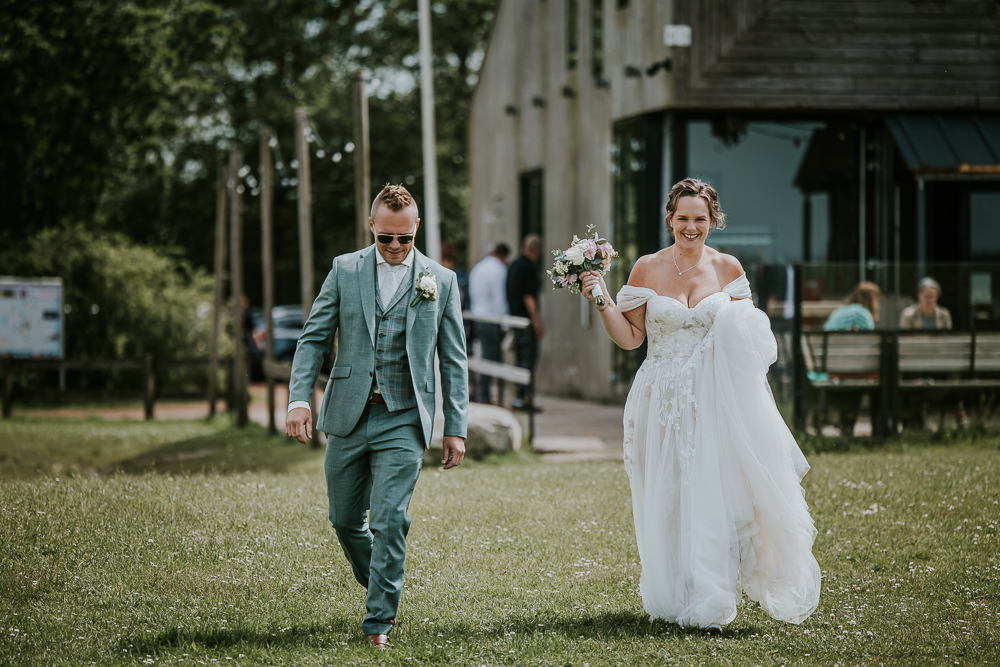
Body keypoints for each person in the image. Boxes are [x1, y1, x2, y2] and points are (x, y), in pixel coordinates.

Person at [579, 178, 820, 632]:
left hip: (713, 399)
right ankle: (675, 593)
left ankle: (712, 597)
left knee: (711, 491)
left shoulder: (728, 268)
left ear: (713, 221)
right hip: (661, 397)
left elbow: (749, 342)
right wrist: (599, 297)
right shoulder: (646, 269)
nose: (691, 228)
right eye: (683, 219)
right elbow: (631, 339)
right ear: (670, 219)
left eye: (700, 220)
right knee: (668, 494)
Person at [285, 184, 469, 650]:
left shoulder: (440, 280)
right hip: (348, 413)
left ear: (416, 229)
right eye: (385, 237)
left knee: (390, 519)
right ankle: (384, 583)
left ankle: (378, 623)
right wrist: (298, 400)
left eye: (403, 239)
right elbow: (312, 339)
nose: (394, 247)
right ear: (372, 226)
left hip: (404, 417)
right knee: (345, 519)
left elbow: (454, 360)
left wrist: (455, 428)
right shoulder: (345, 270)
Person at [468, 242, 511, 403]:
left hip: (476, 316)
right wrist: (505, 324)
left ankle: (480, 391)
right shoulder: (499, 270)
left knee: (483, 357)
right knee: (490, 358)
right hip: (491, 319)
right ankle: (484, 395)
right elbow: (500, 299)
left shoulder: (478, 267)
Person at [505, 234, 545, 410]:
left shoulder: (513, 265)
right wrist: (536, 321)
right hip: (525, 322)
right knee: (527, 360)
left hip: (515, 319)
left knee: (520, 358)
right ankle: (524, 399)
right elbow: (528, 297)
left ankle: (519, 397)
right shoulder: (527, 267)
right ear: (536, 251)